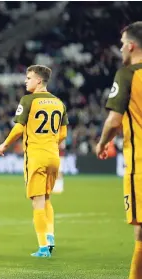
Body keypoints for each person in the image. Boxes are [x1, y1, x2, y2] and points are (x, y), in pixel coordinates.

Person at [0, 65, 68, 258]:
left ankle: (43, 247)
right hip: (53, 156)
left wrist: (4, 145)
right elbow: (63, 133)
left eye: (28, 78)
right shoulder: (59, 103)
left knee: (37, 202)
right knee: (46, 198)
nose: (25, 81)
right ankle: (50, 236)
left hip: (36, 157)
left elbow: (19, 128)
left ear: (38, 80)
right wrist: (50, 142)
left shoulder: (28, 100)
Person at [96, 21, 142, 279]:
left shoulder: (127, 74)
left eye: (123, 43)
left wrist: (103, 143)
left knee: (141, 232)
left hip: (140, 165)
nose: (121, 48)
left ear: (132, 46)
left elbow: (114, 120)